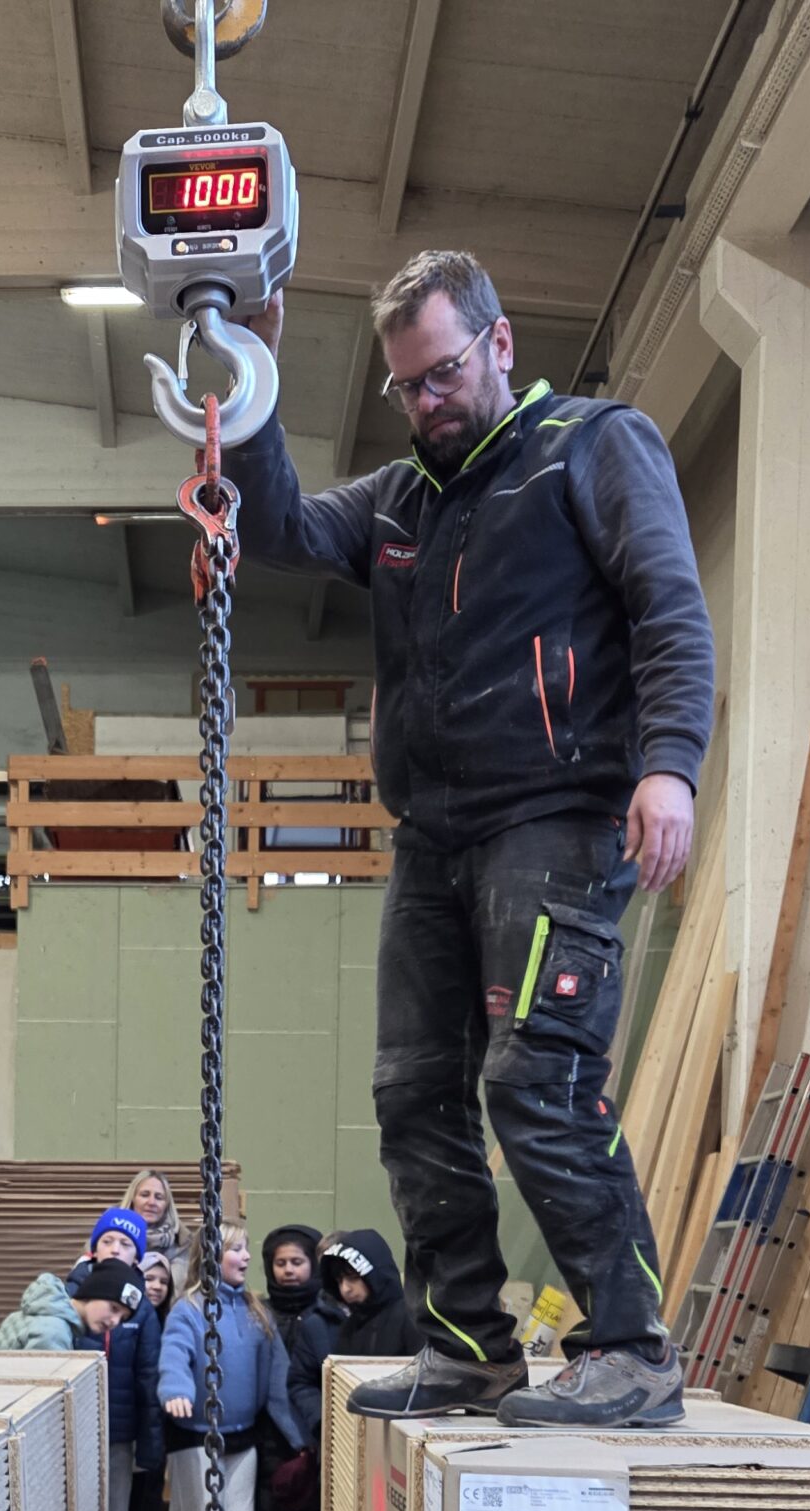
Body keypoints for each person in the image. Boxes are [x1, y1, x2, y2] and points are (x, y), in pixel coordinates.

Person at [235, 249, 715, 1429]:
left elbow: (668, 605)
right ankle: (466, 1347)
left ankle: (632, 1347)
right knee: (412, 1093)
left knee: (537, 1077)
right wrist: (252, 380)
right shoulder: (399, 501)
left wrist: (669, 765)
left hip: (557, 818)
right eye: (407, 386)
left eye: (443, 372)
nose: (427, 401)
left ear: (500, 343)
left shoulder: (592, 448)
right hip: (433, 840)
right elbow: (282, 526)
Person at [157, 1222, 303, 1511]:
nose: (245, 1257)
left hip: (243, 1441)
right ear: (211, 1257)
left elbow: (277, 1380)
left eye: (245, 1248)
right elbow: (175, 1354)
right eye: (235, 1249)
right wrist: (175, 1388)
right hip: (195, 1440)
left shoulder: (257, 1312)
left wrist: (299, 1438)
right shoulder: (187, 1310)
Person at [64, 1209, 160, 1511]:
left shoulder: (141, 1309)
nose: (116, 1249)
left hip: (119, 1441)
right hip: (68, 1439)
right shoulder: (67, 1302)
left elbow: (149, 1376)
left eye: (126, 1245)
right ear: (94, 1246)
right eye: (109, 1241)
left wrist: (151, 1444)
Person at [254, 1225, 337, 1511]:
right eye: (280, 1263)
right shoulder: (262, 1313)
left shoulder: (327, 1312)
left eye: (297, 1262)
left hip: (315, 1430)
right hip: (271, 1436)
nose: (289, 1271)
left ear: (313, 1266)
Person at [115, 1250, 176, 1511]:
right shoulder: (120, 1318)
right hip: (126, 1429)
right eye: (149, 1279)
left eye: (163, 1281)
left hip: (156, 1431)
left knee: (146, 1510)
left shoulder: (173, 1322)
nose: (155, 1287)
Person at [0, 1257, 143, 1351]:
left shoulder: (51, 1315)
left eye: (122, 1318)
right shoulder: (54, 1332)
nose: (115, 1321)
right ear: (94, 1291)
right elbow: (45, 1394)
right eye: (114, 1308)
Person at [320, 1230, 419, 1360]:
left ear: (373, 1275)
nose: (345, 1289)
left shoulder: (410, 1318)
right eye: (339, 1280)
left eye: (353, 1278)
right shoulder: (349, 1326)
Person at [122, 1169, 190, 1293]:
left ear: (167, 1205)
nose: (151, 1202)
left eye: (159, 1197)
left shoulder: (182, 1245)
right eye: (145, 1195)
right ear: (132, 1199)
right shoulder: (110, 1239)